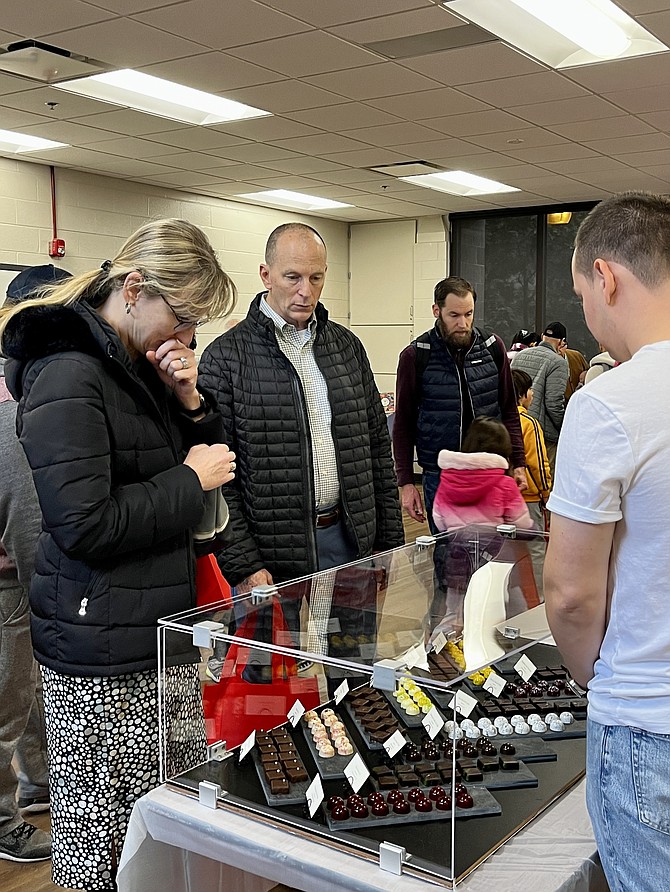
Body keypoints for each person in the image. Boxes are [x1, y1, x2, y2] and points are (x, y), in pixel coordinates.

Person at [0, 219, 237, 891]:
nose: (186, 336)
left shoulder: (135, 364)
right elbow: (85, 523)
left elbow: (198, 470)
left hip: (158, 631)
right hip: (98, 649)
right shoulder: (68, 372)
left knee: (167, 825)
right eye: (182, 317)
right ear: (134, 289)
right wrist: (188, 478)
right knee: (99, 845)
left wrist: (191, 403)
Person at [544, 191, 670, 892]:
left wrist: (595, 674)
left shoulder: (609, 402)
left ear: (607, 278)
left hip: (647, 721)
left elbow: (569, 593)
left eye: (581, 292)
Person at [198, 221, 403, 594]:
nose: (305, 292)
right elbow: (218, 478)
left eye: (316, 278)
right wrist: (243, 563)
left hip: (350, 540)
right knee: (278, 654)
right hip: (271, 555)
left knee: (351, 652)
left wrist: (388, 540)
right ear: (266, 275)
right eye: (292, 277)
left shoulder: (347, 348)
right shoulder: (224, 359)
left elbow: (376, 449)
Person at [394, 275, 526, 533]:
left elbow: (509, 409)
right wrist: (407, 483)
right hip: (440, 476)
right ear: (437, 310)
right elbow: (403, 425)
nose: (462, 323)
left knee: (493, 556)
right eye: (454, 315)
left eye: (468, 314)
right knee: (449, 558)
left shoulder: (492, 348)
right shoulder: (415, 356)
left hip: (490, 472)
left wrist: (518, 463)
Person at [511, 368, 551, 598]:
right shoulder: (528, 423)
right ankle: (543, 601)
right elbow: (536, 462)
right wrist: (546, 492)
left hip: (500, 499)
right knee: (536, 549)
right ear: (522, 394)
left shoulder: (493, 418)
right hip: (528, 499)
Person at [510, 322, 568, 474]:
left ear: (543, 336)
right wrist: (563, 428)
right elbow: (554, 402)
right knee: (543, 477)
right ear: (562, 342)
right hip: (543, 433)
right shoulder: (558, 363)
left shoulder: (520, 355)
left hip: (516, 426)